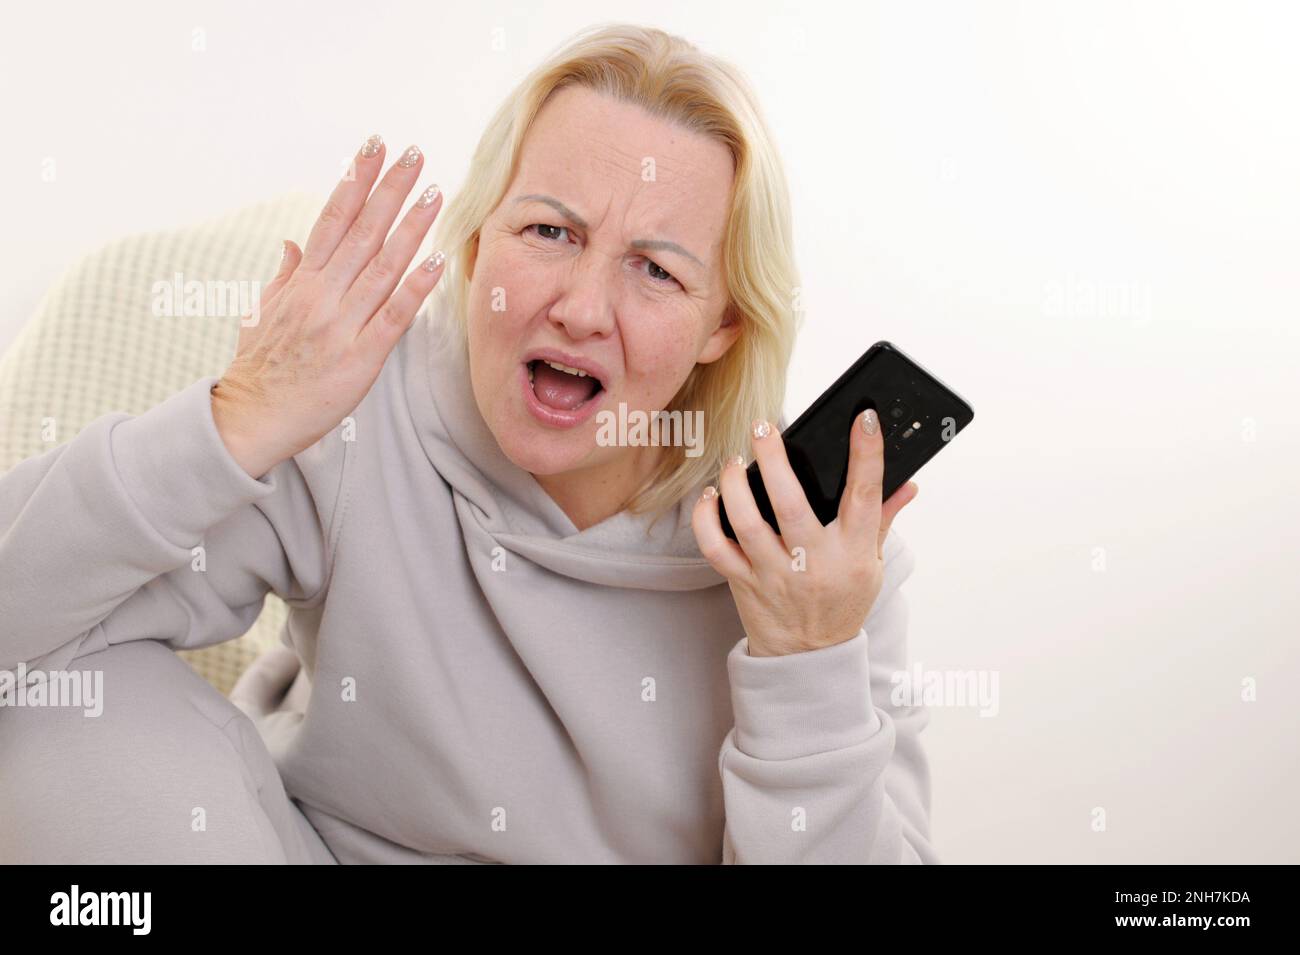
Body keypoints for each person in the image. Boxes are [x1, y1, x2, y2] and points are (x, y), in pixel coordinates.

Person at [0, 22, 933, 864]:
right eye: (549, 230)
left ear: (721, 328)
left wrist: (805, 659)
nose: (579, 309)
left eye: (654, 269)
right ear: (479, 247)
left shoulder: (818, 563)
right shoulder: (356, 415)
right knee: (55, 699)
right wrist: (234, 420)